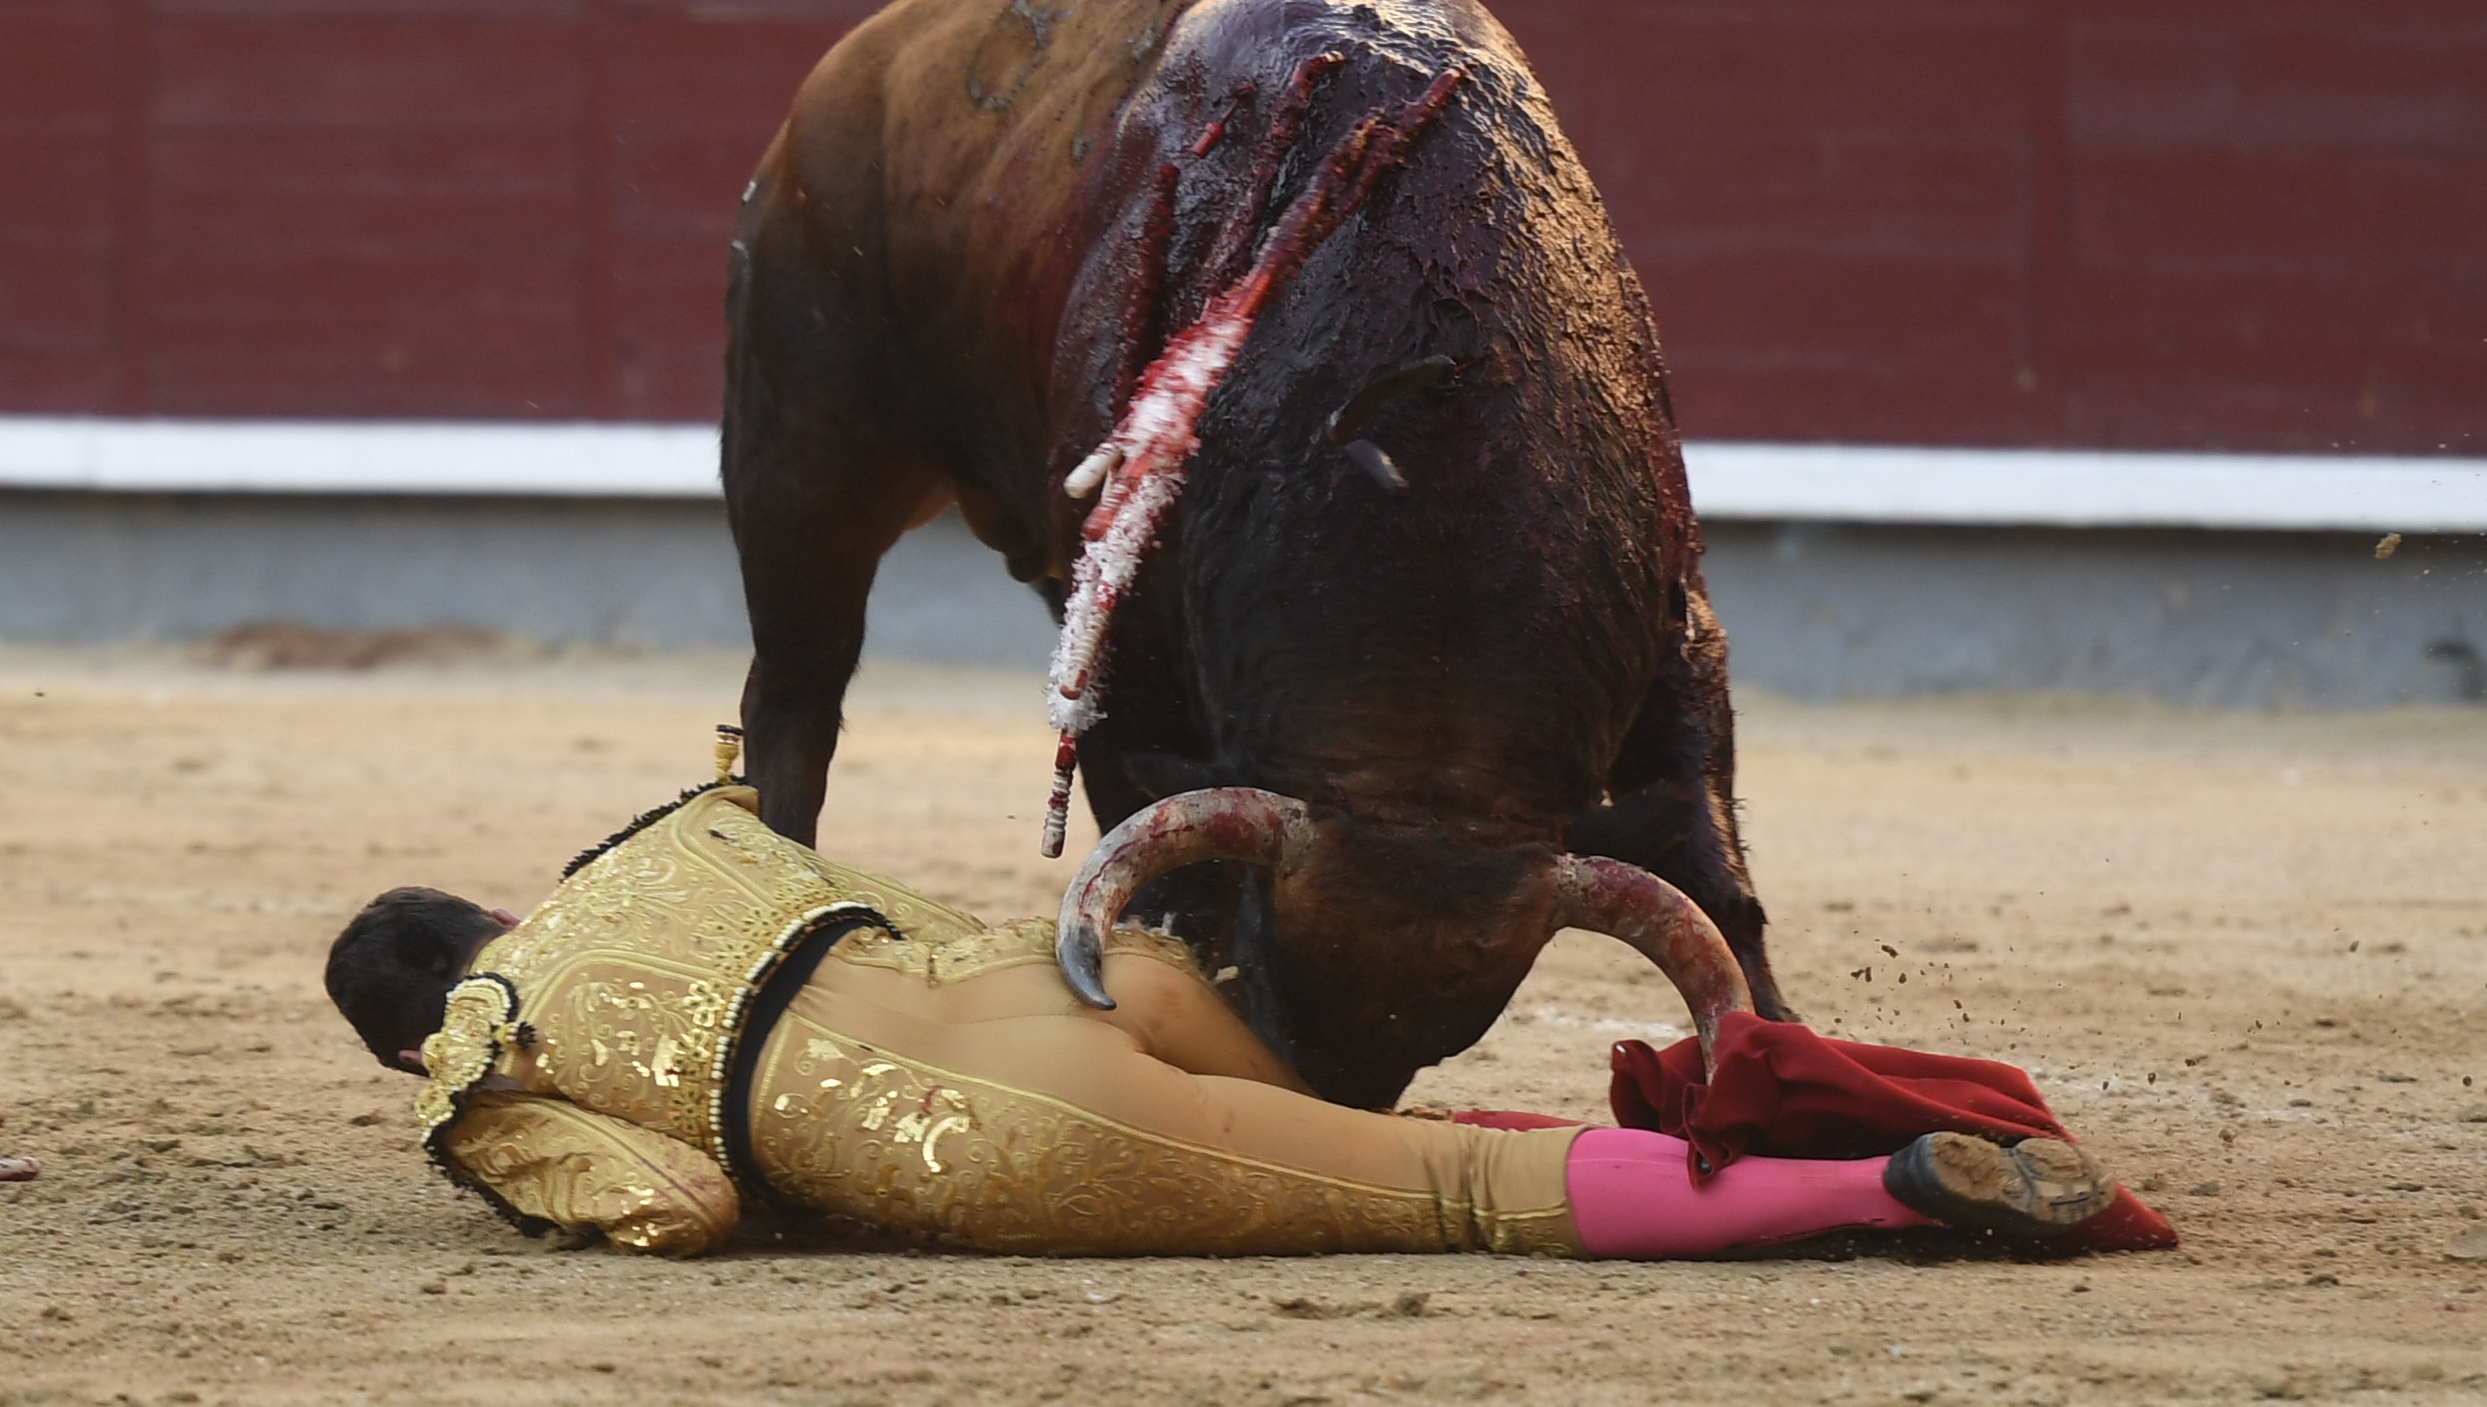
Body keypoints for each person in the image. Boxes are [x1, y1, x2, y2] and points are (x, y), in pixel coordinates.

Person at [325, 773, 2121, 1260]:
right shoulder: (667, 841)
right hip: (1082, 979)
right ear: (491, 904)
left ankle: (1883, 1188)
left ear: (419, 1031)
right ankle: (1839, 1134)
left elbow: (679, 1205)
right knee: (1383, 1148)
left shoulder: (479, 1066)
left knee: (1435, 1204)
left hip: (992, 1127)